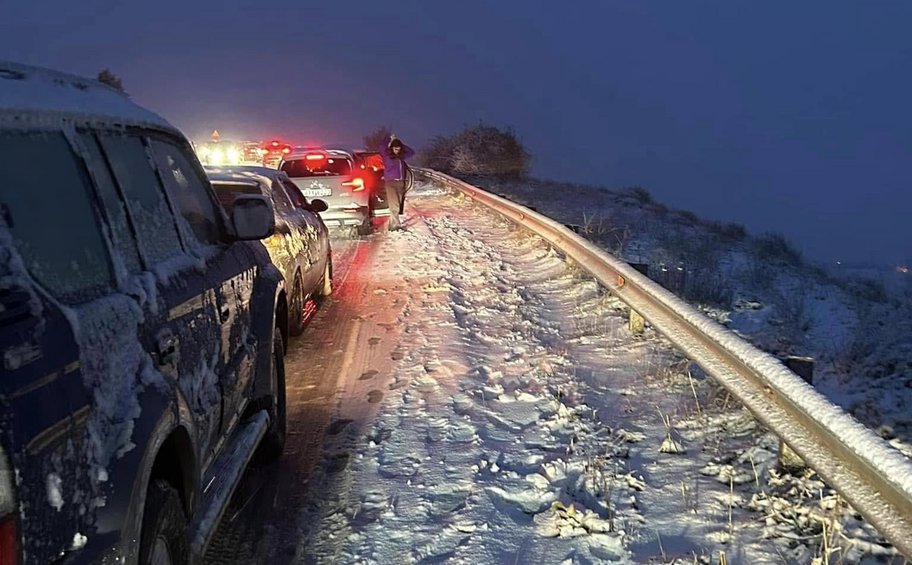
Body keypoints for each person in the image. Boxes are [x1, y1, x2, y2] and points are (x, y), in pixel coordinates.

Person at [379, 134, 415, 231]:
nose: (397, 150)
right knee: (394, 204)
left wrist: (402, 145)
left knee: (398, 204)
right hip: (390, 182)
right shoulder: (387, 156)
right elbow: (381, 147)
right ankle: (396, 226)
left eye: (398, 148)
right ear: (391, 148)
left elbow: (411, 152)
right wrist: (389, 138)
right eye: (395, 148)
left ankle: (391, 225)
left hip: (401, 182)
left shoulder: (401, 157)